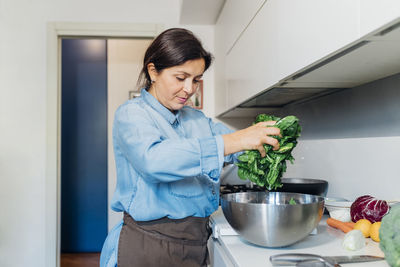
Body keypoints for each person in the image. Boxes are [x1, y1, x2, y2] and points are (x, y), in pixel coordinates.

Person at [100, 28, 280, 267]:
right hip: (149, 245)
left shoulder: (196, 120)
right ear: (153, 71)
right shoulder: (132, 115)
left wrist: (268, 139)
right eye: (180, 77)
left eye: (196, 80)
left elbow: (239, 147)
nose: (189, 89)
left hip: (194, 243)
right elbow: (154, 161)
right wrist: (237, 140)